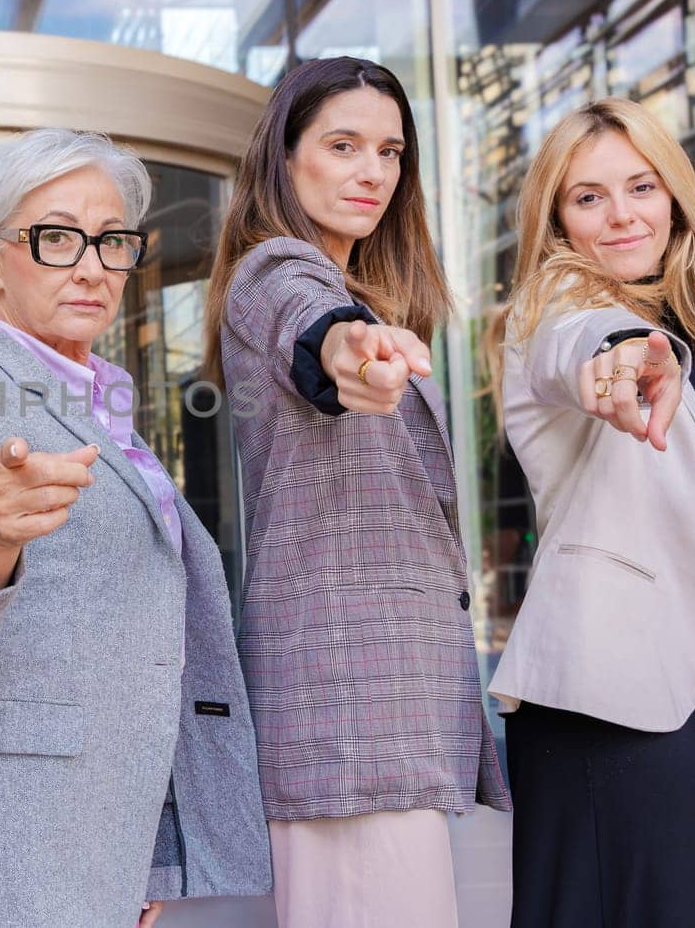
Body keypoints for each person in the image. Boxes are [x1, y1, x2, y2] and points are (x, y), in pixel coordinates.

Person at [0, 128, 271, 927]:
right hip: (10, 845)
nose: (92, 265)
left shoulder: (98, 401)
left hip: (96, 832)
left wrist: (146, 847)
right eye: (57, 237)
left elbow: (134, 639)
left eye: (112, 241)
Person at [489, 96, 695, 925]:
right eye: (588, 197)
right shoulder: (554, 314)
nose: (620, 216)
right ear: (559, 219)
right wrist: (618, 365)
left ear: (674, 195)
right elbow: (585, 347)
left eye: (641, 186)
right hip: (609, 718)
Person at [202, 56, 509, 928]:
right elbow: (319, 336)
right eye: (343, 145)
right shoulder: (278, 273)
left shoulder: (357, 288)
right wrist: (352, 354)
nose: (372, 171)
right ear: (286, 159)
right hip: (345, 707)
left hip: (376, 710)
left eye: (390, 151)